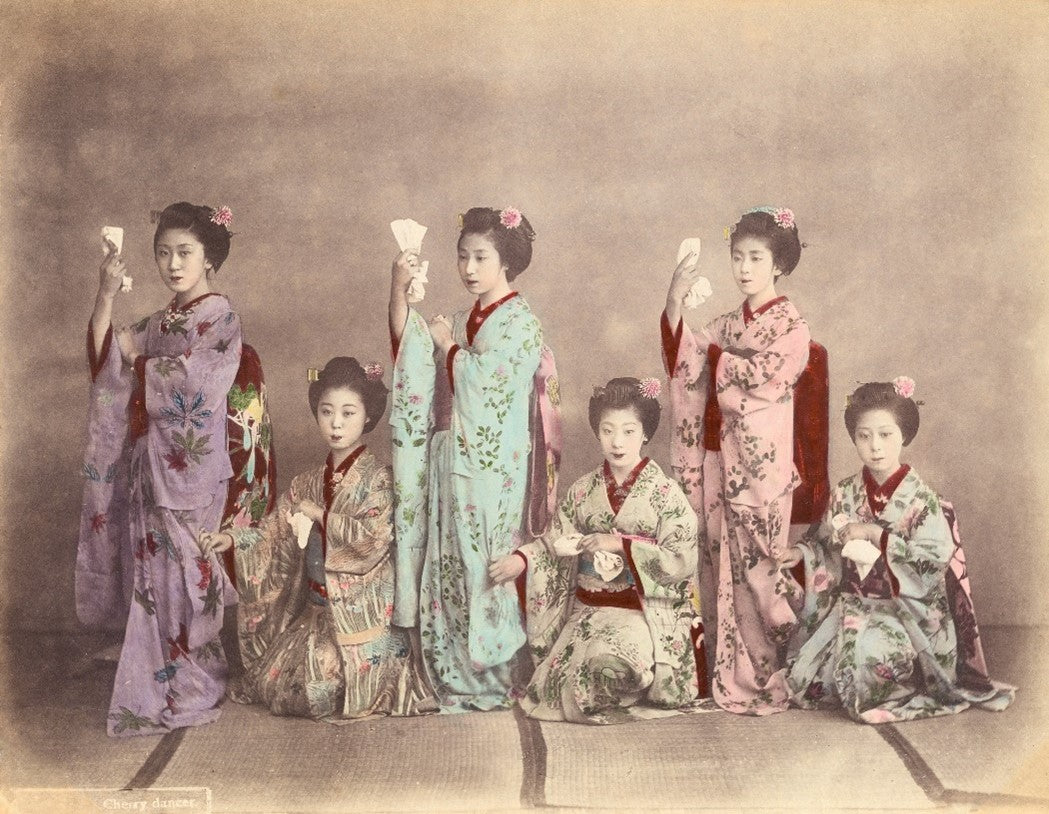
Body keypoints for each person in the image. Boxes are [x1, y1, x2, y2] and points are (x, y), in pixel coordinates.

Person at [79, 201, 244, 735]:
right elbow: (107, 355)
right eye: (163, 253)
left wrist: (142, 364)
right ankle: (161, 675)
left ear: (209, 258)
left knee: (188, 578)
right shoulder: (161, 320)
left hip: (191, 470)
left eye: (185, 253)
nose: (173, 263)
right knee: (155, 578)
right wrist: (106, 293)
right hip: (151, 468)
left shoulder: (220, 317)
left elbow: (197, 384)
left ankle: (195, 678)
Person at [388, 206, 561, 711]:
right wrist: (398, 287)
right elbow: (410, 350)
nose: (468, 268)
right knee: (448, 564)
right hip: (450, 459)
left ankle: (490, 675)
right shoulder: (464, 319)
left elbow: (487, 389)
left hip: (493, 465)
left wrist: (449, 349)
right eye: (462, 257)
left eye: (480, 257)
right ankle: (450, 671)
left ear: (504, 261)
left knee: (481, 563)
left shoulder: (522, 325)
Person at [202, 358, 436, 720]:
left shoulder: (379, 479)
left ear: (368, 416)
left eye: (348, 412)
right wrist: (232, 540)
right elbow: (272, 535)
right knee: (280, 688)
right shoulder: (307, 483)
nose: (336, 423)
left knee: (321, 689)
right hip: (317, 611)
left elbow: (374, 538)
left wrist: (321, 516)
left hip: (360, 614)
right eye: (327, 412)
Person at [661, 206, 827, 715]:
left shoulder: (791, 327)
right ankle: (722, 670)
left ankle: (773, 668)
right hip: (716, 459)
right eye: (738, 257)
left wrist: (717, 362)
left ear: (779, 265)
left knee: (760, 571)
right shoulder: (726, 323)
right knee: (715, 560)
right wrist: (675, 302)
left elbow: (762, 381)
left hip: (761, 464)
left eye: (757, 257)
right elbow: (687, 359)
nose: (745, 267)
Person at [785, 379, 1015, 723]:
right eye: (864, 436)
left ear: (903, 435)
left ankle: (908, 682)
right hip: (852, 604)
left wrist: (877, 535)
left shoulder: (922, 500)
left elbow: (933, 561)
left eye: (885, 435)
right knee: (802, 679)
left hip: (907, 613)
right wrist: (802, 554)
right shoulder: (846, 491)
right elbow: (824, 542)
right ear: (854, 438)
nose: (875, 446)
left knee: (867, 661)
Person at [491, 377, 701, 724]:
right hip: (587, 611)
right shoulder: (581, 491)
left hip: (640, 613)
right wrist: (521, 559)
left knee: (610, 667)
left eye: (629, 431)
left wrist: (620, 544)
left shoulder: (666, 495)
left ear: (646, 433)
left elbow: (680, 559)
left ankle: (628, 678)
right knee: (554, 684)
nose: (617, 442)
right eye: (608, 431)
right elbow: (554, 542)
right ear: (597, 432)